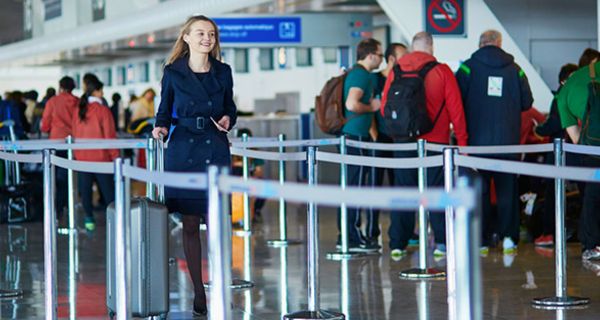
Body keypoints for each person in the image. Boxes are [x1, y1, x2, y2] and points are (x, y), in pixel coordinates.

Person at [152, 15, 237, 316]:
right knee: (189, 223)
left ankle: (220, 283)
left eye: (211, 34)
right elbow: (164, 110)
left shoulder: (223, 71)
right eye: (200, 33)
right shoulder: (173, 72)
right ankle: (199, 292)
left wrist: (229, 119)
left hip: (214, 146)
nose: (207, 38)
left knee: (217, 224)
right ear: (186, 37)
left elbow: (229, 106)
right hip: (183, 148)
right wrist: (159, 128)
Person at [382, 31, 468, 258]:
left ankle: (398, 244)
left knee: (403, 191)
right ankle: (442, 243)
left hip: (404, 144)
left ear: (412, 47)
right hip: (435, 144)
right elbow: (456, 111)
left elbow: (384, 108)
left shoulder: (397, 70)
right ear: (431, 48)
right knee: (437, 192)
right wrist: (463, 144)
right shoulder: (442, 71)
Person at [456, 29, 534, 254]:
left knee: (479, 191)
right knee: (507, 190)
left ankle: (482, 240)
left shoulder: (467, 68)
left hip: (476, 143)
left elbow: (456, 100)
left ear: (481, 44)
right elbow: (527, 102)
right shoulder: (515, 69)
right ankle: (509, 238)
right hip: (507, 141)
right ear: (499, 43)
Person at [338, 38, 383, 252]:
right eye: (380, 55)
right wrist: (372, 106)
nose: (381, 60)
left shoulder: (358, 74)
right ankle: (351, 236)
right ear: (371, 54)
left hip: (355, 136)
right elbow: (351, 103)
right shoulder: (361, 75)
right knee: (353, 187)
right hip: (354, 137)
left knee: (352, 185)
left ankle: (349, 234)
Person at [556, 57, 600, 261]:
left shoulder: (566, 90)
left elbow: (575, 137)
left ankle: (590, 246)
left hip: (593, 146)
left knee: (592, 194)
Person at [533, 63, 578, 247]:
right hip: (569, 150)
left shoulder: (561, 97)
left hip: (561, 151)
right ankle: (551, 232)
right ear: (564, 80)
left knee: (554, 191)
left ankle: (550, 233)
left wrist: (538, 130)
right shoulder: (565, 98)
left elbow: (551, 125)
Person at [368, 42, 407, 244]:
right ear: (391, 58)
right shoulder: (375, 80)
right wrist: (374, 135)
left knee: (398, 186)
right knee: (375, 185)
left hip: (397, 141)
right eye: (403, 55)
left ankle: (400, 231)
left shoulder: (402, 79)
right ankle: (372, 230)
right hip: (379, 140)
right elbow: (370, 109)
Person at [72, 77, 117, 232]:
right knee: (109, 192)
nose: (102, 93)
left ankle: (89, 221)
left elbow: (75, 133)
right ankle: (115, 220)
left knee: (85, 191)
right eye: (101, 90)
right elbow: (109, 135)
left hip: (82, 158)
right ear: (96, 91)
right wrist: (115, 156)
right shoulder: (103, 110)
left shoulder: (79, 109)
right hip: (101, 158)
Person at [40, 76, 79, 218]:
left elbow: (45, 125)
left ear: (60, 86)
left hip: (55, 143)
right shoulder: (77, 102)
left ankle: (55, 208)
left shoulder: (52, 101)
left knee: (56, 177)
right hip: (73, 143)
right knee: (69, 176)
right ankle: (67, 205)